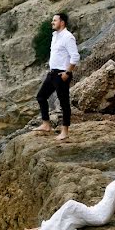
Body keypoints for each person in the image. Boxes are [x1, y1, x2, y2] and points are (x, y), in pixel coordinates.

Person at [25, 163, 115, 230]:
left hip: (99, 216)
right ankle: (45, 228)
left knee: (70, 204)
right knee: (71, 217)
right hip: (97, 210)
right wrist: (114, 210)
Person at [35, 13, 80, 141]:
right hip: (52, 73)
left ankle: (65, 131)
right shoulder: (55, 35)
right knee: (41, 96)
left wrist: (68, 73)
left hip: (62, 75)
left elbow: (75, 56)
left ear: (62, 22)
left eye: (55, 20)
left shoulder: (68, 37)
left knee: (64, 103)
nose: (52, 22)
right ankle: (46, 124)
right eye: (52, 20)